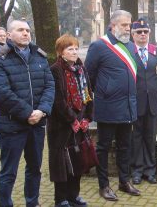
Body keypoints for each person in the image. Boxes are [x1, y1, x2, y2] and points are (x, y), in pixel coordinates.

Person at [0, 20, 55, 207]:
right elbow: (1, 92)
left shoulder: (39, 56)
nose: (26, 33)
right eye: (20, 30)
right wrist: (28, 113)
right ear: (9, 35)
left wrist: (42, 111)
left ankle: (32, 203)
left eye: (27, 30)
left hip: (37, 125)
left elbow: (50, 86)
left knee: (35, 169)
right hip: (12, 126)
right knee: (9, 172)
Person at [85, 10, 140, 201]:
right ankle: (104, 185)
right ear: (113, 25)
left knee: (126, 146)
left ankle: (124, 181)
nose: (128, 28)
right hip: (107, 107)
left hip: (128, 107)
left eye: (129, 25)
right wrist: (104, 91)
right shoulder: (99, 46)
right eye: (124, 25)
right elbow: (88, 77)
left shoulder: (131, 47)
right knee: (103, 147)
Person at [47, 34, 93, 207]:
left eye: (75, 48)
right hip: (62, 126)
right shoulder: (55, 70)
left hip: (81, 124)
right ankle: (61, 199)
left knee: (78, 161)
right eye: (69, 49)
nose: (74, 52)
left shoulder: (81, 69)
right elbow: (58, 100)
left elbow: (88, 94)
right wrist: (72, 119)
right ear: (61, 52)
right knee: (62, 164)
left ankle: (74, 196)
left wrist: (87, 117)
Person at [130, 18, 157, 185]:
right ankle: (137, 171)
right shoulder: (128, 52)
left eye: (145, 32)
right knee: (136, 137)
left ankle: (150, 170)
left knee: (150, 137)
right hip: (136, 103)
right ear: (133, 34)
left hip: (154, 102)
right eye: (139, 32)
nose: (143, 35)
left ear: (149, 33)